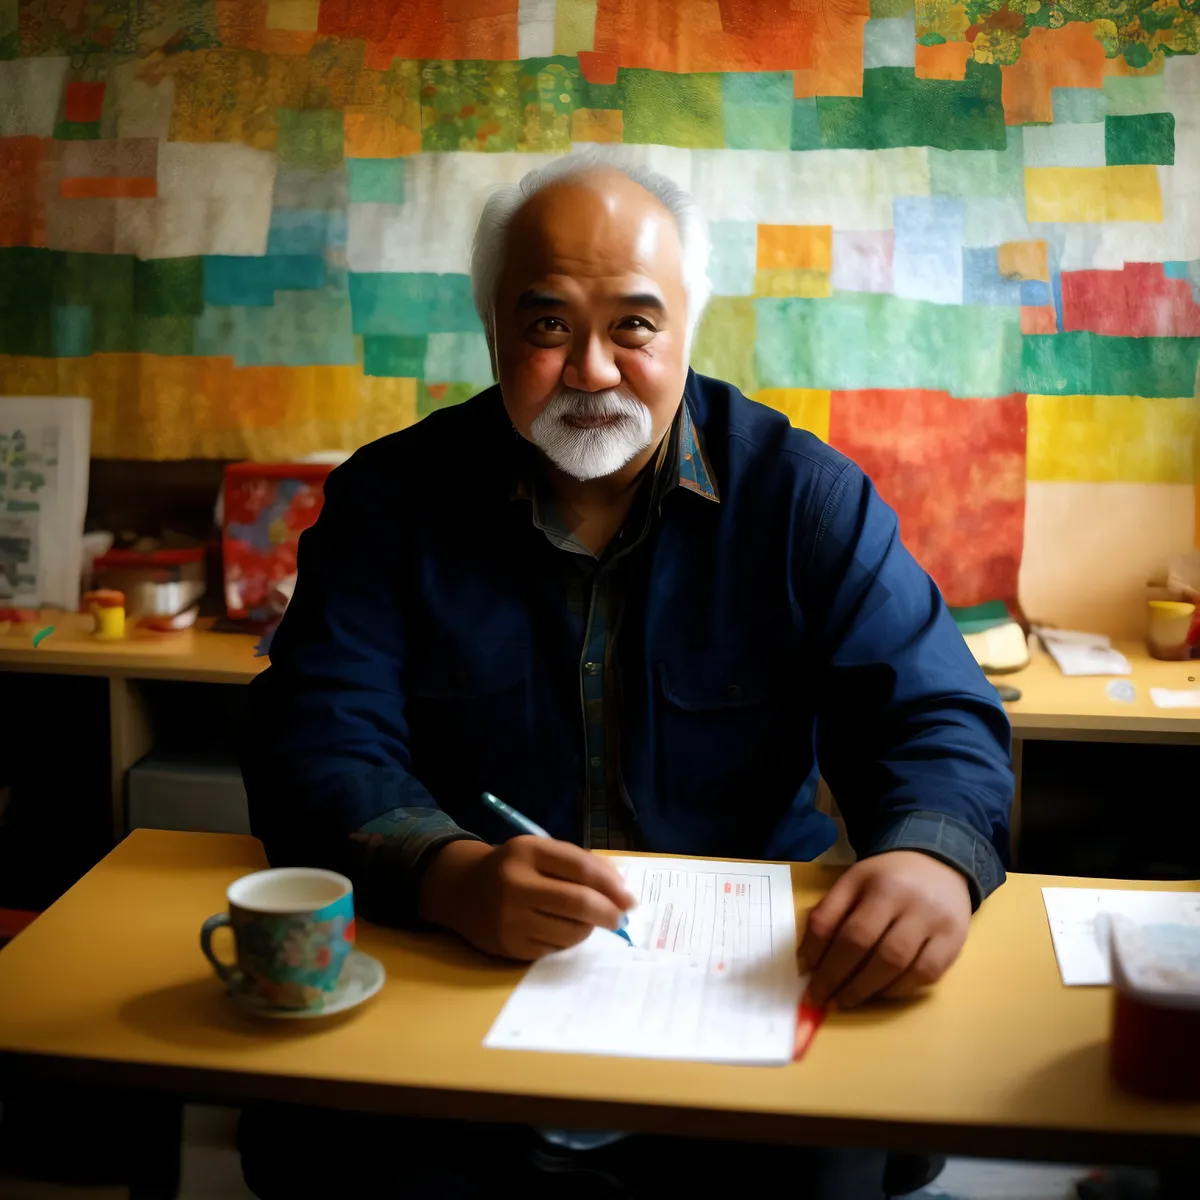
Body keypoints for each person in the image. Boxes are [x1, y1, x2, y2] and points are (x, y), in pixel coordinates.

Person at [240, 150, 1014, 1200]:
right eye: (547, 325)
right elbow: (314, 738)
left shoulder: (802, 500)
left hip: (746, 993)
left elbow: (936, 718)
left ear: (688, 323)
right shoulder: (390, 502)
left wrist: (931, 859)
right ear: (494, 332)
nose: (593, 370)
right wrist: (446, 873)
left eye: (634, 325)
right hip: (460, 976)